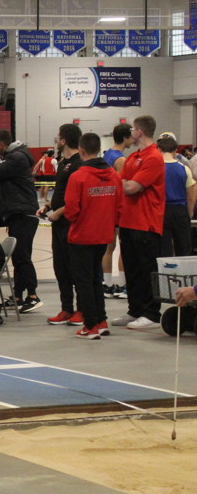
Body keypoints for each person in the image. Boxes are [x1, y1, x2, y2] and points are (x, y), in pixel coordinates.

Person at [64, 132, 121, 340]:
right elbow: (120, 206)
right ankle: (101, 320)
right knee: (96, 278)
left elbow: (71, 210)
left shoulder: (78, 176)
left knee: (83, 281)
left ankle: (90, 325)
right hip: (103, 234)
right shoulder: (113, 175)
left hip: (82, 235)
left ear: (81, 151)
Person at [111, 115, 166, 330]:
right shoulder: (133, 157)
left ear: (139, 132)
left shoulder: (154, 157)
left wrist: (126, 183)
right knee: (132, 270)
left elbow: (131, 187)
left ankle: (151, 313)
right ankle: (134, 310)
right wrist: (125, 183)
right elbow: (120, 183)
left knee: (147, 270)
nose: (130, 133)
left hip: (146, 223)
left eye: (132, 129)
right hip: (128, 221)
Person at [0, 128, 43, 313]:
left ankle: (32, 296)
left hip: (24, 214)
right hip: (16, 213)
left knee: (23, 256)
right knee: (17, 257)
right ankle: (18, 295)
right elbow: (13, 186)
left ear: (1, 145)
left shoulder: (17, 157)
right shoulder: (14, 157)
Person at [41, 123, 83, 326]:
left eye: (58, 137)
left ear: (64, 140)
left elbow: (78, 197)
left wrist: (59, 212)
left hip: (72, 223)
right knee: (61, 267)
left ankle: (82, 310)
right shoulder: (62, 162)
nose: (56, 140)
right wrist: (49, 206)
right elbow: (61, 192)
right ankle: (67, 308)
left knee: (76, 267)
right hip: (58, 223)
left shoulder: (79, 163)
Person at [102, 122, 134, 299]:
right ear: (125, 137)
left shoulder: (107, 154)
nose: (133, 139)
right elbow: (124, 187)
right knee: (123, 246)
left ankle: (107, 284)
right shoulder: (121, 160)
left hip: (107, 205)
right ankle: (122, 285)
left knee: (109, 246)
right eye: (131, 136)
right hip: (119, 206)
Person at [158, 134, 196, 257]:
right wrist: (189, 213)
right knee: (183, 249)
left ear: (159, 149)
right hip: (180, 210)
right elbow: (191, 195)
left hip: (161, 211)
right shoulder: (184, 168)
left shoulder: (156, 168)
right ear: (175, 151)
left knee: (164, 249)